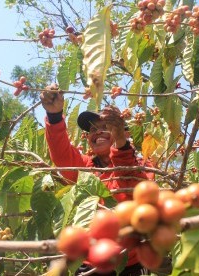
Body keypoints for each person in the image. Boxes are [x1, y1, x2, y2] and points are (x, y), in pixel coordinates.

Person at [40, 85, 153, 275]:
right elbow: (62, 155)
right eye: (92, 130)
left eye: (105, 127)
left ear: (124, 133)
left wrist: (120, 146)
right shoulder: (85, 167)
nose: (97, 132)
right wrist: (54, 116)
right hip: (90, 261)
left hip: (127, 263)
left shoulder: (142, 165)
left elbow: (136, 186)